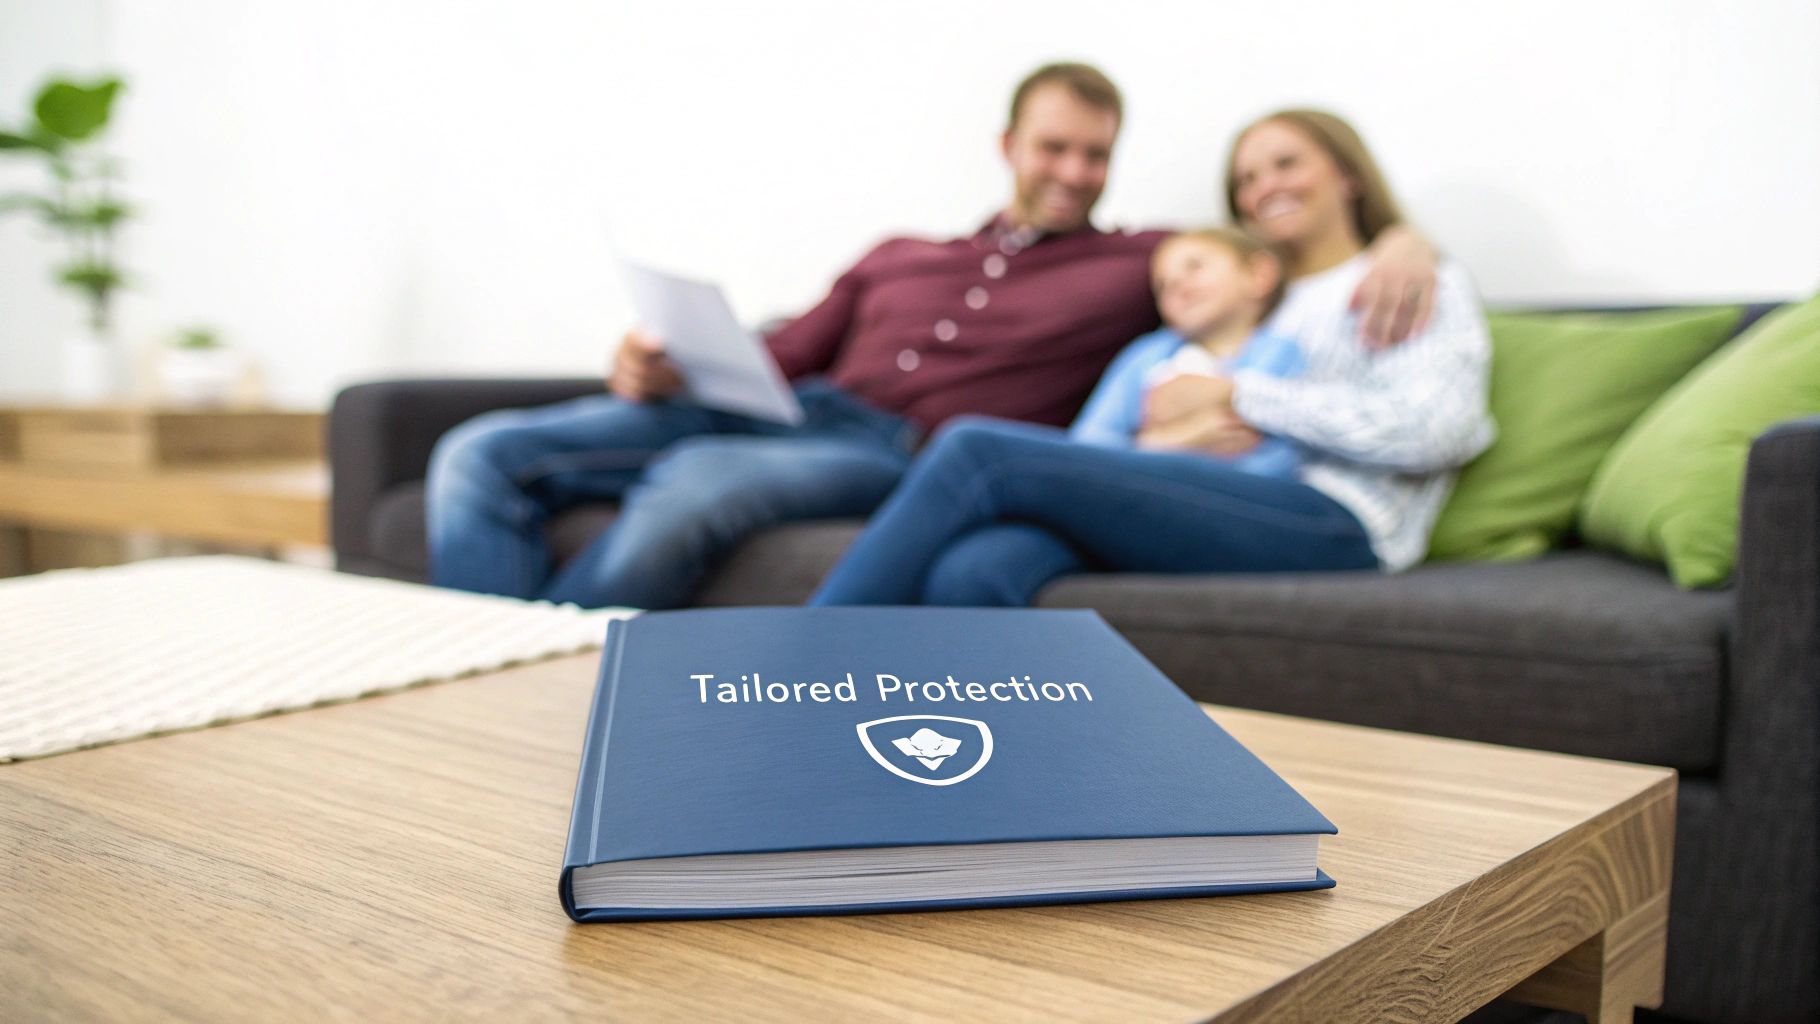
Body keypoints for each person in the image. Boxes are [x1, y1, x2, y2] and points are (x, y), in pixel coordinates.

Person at [426, 67, 1440, 610]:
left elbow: (1264, 250)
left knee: (690, 488)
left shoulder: (1140, 260)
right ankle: (470, 655)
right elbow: (778, 361)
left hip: (883, 451)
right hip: (786, 407)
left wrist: (1404, 232)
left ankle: (550, 681)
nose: (1076, 170)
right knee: (476, 452)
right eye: (1054, 147)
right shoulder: (897, 252)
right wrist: (655, 361)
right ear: (1008, 147)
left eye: (1096, 154)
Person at [810, 109, 1495, 608]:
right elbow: (1157, 402)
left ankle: (786, 688)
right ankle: (951, 780)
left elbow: (1439, 430)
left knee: (979, 451)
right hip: (1197, 493)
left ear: (1348, 175)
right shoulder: (1242, 297)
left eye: (1286, 163)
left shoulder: (1405, 279)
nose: (1264, 187)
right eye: (1246, 178)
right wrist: (1167, 433)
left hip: (1338, 519)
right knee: (977, 568)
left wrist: (1236, 396)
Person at [1070, 226, 1303, 479]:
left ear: (1259, 274)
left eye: (1194, 266)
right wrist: (1167, 443)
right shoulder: (1145, 356)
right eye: (1162, 285)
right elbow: (1087, 447)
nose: (1177, 283)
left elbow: (1287, 459)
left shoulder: (1281, 355)